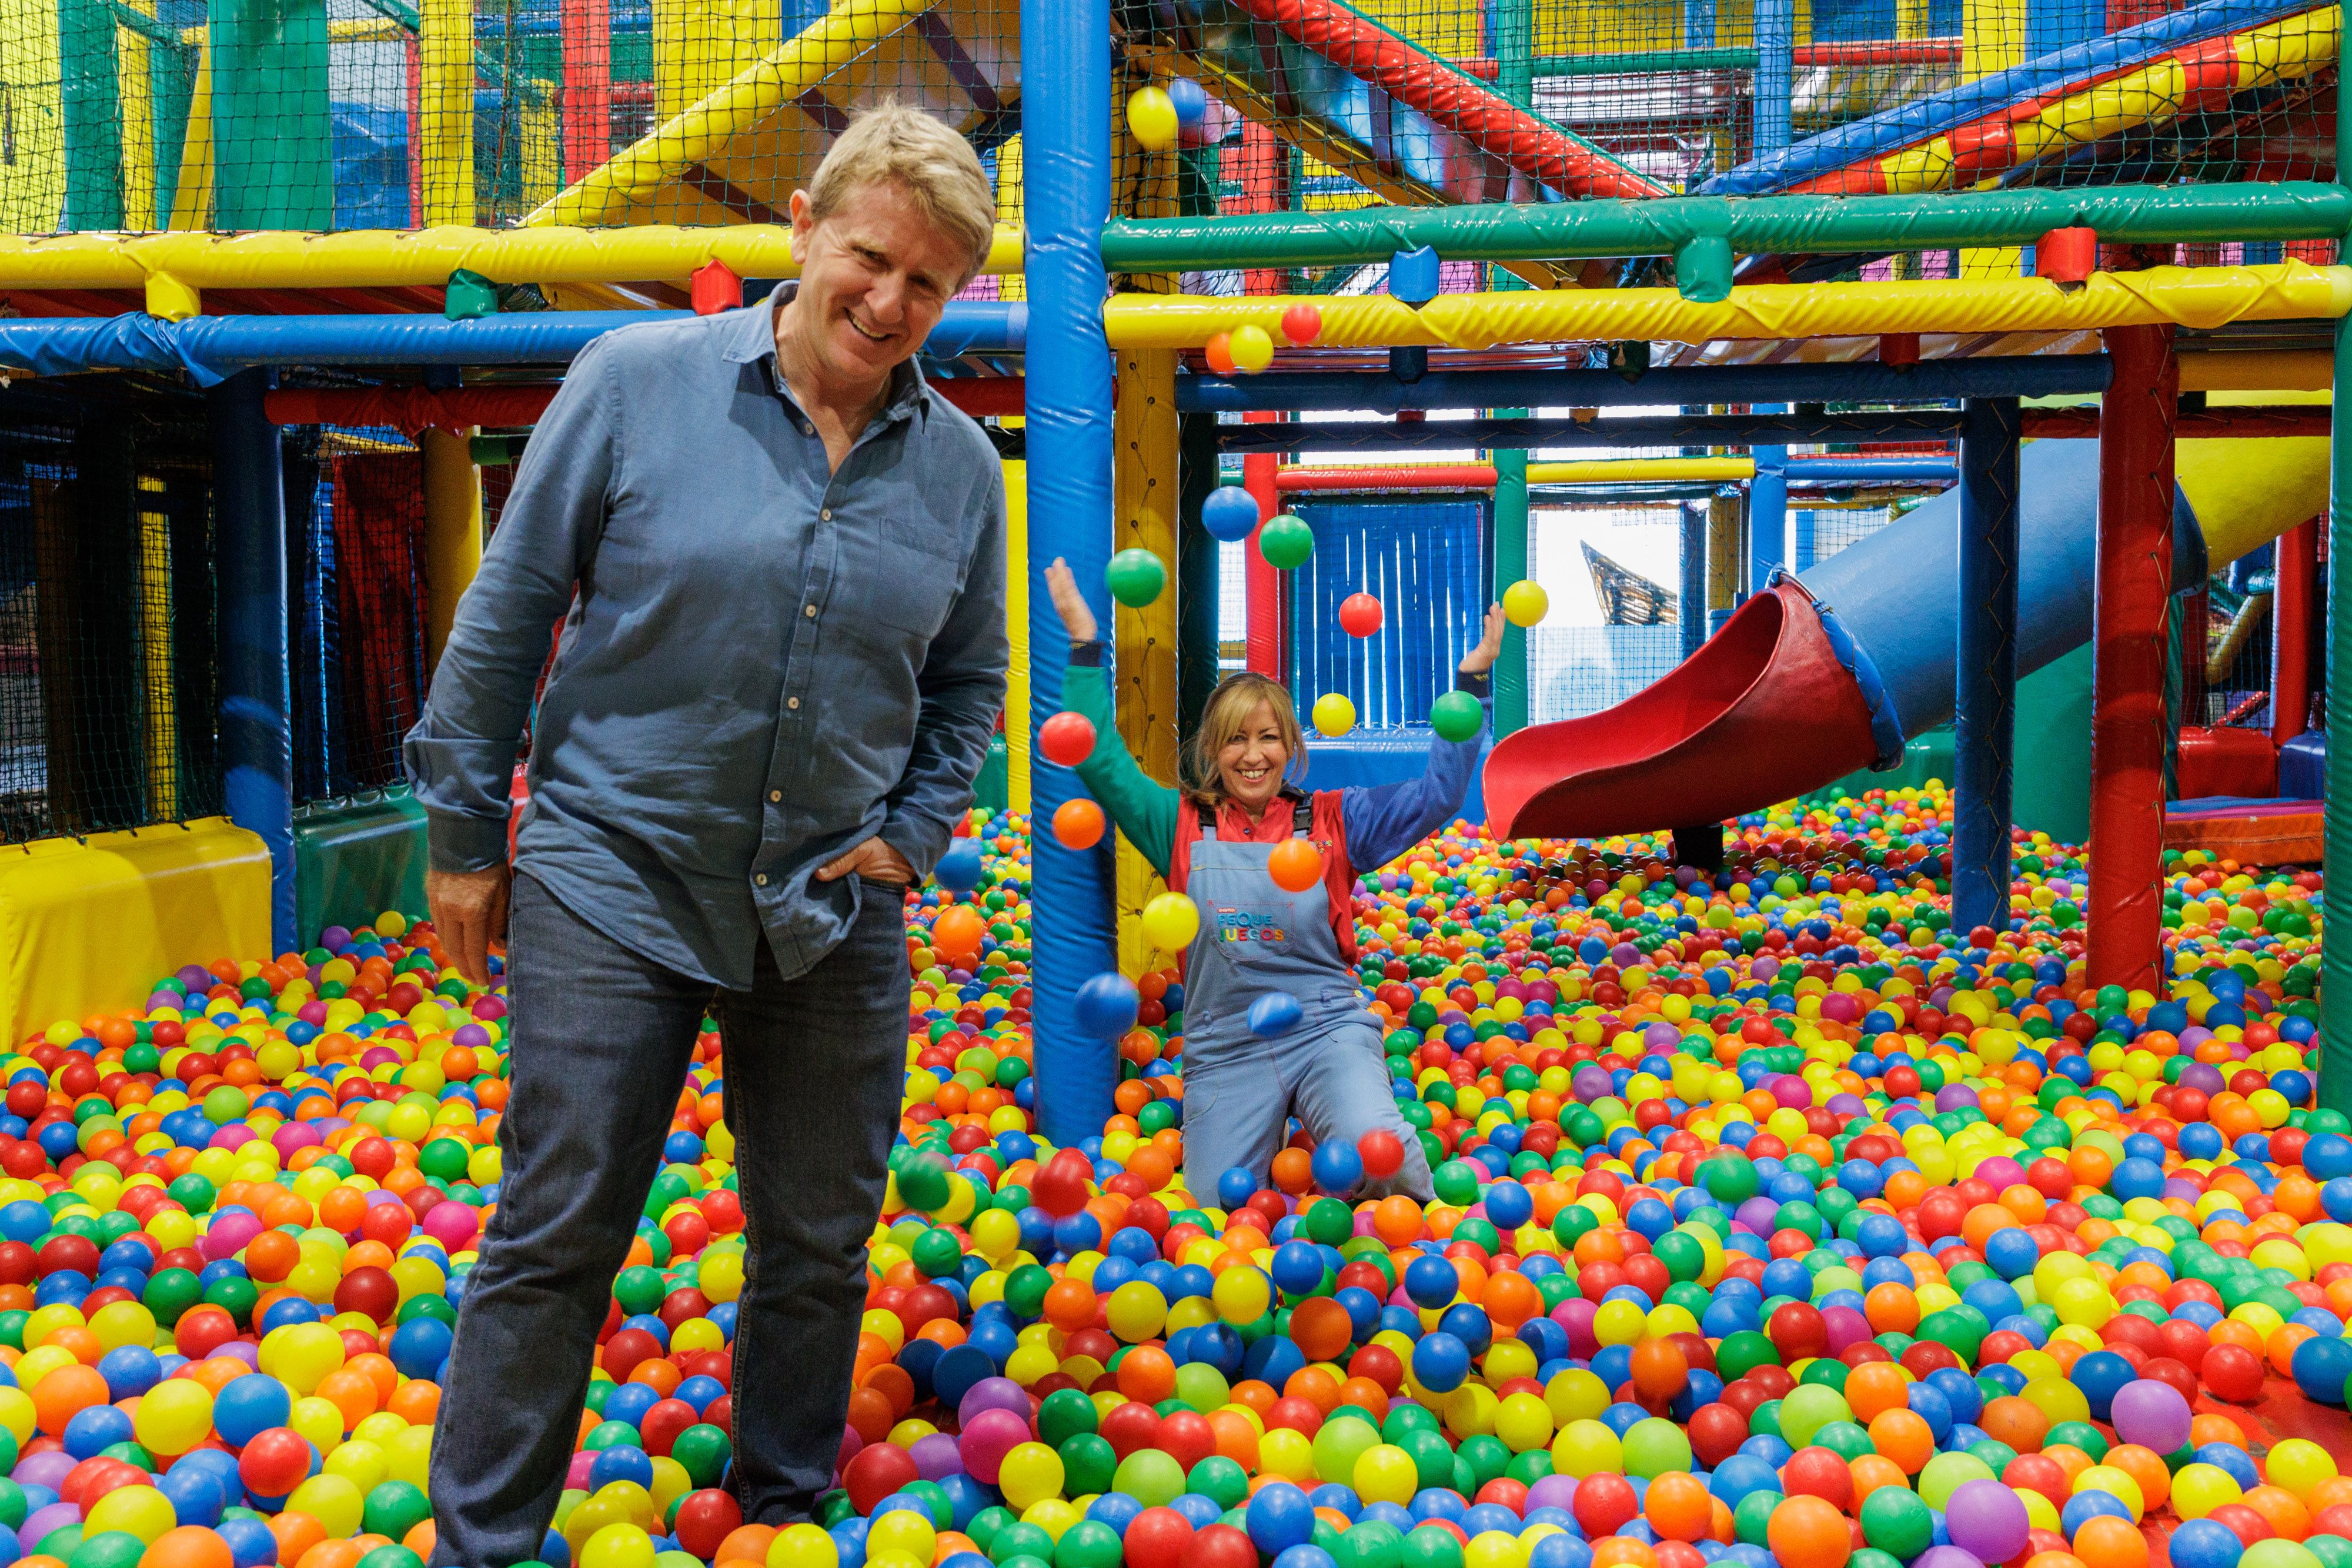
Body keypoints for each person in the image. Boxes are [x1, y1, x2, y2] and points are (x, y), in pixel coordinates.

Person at [402, 104, 1008, 1565]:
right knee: (561, 1229)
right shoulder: (633, 385)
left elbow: (971, 686)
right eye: (869, 258)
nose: (888, 302)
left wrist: (912, 839)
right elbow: (506, 616)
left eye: (927, 285)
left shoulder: (959, 469)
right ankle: (484, 1541)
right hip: (617, 875)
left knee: (818, 1239)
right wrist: (465, 837)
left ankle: (784, 1507)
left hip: (828, 902)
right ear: (802, 223)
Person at [1044, 559, 1504, 1203]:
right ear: (1212, 750)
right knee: (1218, 1207)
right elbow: (1097, 756)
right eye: (1235, 741)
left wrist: (1472, 683)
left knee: (1384, 1162)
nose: (1252, 755)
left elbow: (1438, 794)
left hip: (1326, 1029)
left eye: (1267, 738)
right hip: (1225, 1041)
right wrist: (1085, 644)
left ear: (1290, 746)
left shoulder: (1334, 820)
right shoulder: (1177, 824)